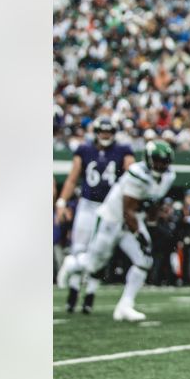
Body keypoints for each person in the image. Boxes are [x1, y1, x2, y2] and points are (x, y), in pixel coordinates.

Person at [57, 141, 176, 322]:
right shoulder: (137, 174)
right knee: (93, 265)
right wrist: (140, 235)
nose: (161, 165)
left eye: (164, 161)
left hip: (133, 221)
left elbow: (153, 203)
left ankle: (125, 306)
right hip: (112, 220)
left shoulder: (168, 176)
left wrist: (151, 223)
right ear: (148, 159)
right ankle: (72, 263)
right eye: (157, 160)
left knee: (144, 260)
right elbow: (127, 210)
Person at [54, 116, 135, 314]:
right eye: (103, 131)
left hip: (110, 208)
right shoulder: (84, 150)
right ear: (97, 132)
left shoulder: (123, 151)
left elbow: (132, 175)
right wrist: (62, 202)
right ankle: (73, 293)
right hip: (87, 205)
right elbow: (73, 179)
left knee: (100, 253)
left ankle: (89, 295)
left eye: (109, 132)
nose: (106, 135)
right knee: (79, 248)